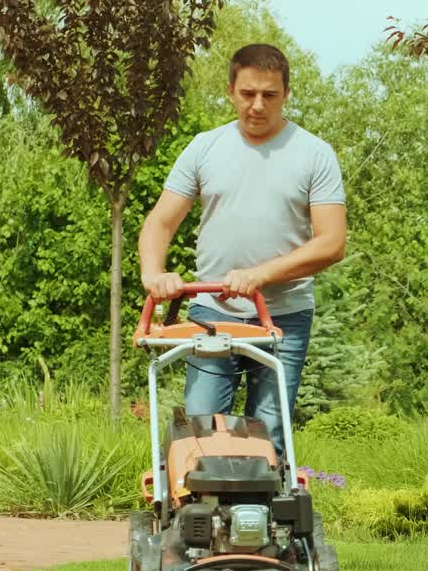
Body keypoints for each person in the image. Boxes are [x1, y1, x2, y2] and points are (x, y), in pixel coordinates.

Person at [138, 43, 347, 460]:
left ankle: (264, 523)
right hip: (212, 312)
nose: (257, 105)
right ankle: (198, 519)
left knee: (269, 433)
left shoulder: (314, 154)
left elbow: (332, 242)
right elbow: (159, 223)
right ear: (231, 90)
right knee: (199, 429)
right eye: (248, 93)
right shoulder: (204, 148)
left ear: (286, 94)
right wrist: (154, 273)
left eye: (269, 95)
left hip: (283, 315)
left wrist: (261, 275)